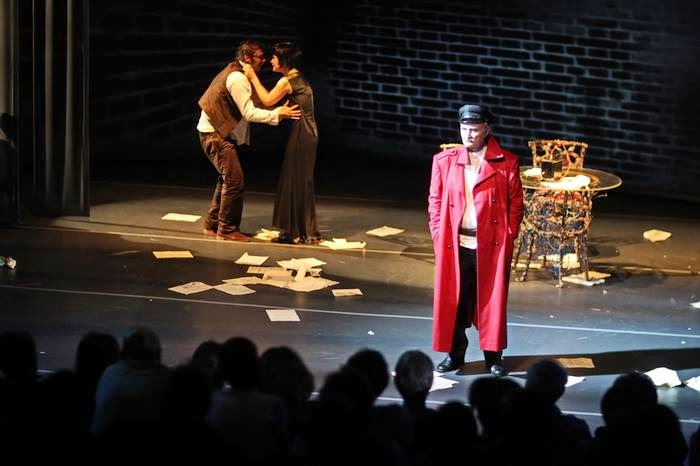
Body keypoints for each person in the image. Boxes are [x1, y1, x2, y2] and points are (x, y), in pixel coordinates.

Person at [428, 104, 523, 377]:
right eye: (464, 129)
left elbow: (516, 204)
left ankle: (493, 357)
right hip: (456, 245)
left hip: (490, 246)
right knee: (455, 301)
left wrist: (508, 234)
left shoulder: (506, 162)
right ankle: (455, 354)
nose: (468, 135)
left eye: (474, 129)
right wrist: (438, 234)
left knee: (490, 303)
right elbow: (435, 201)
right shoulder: (444, 161)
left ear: (486, 129)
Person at [197, 40, 301, 242]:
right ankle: (227, 229)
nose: (264, 60)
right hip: (213, 134)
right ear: (247, 58)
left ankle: (213, 224)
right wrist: (278, 114)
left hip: (216, 132)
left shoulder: (239, 73)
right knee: (235, 181)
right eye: (260, 57)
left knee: (227, 179)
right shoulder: (238, 78)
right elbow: (249, 113)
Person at [243, 42, 320, 244]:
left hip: (303, 132)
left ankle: (298, 232)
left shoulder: (287, 81)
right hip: (306, 131)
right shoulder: (297, 77)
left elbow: (267, 101)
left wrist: (252, 77)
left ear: (284, 60)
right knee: (296, 179)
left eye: (274, 58)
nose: (271, 61)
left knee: (296, 179)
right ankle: (297, 230)